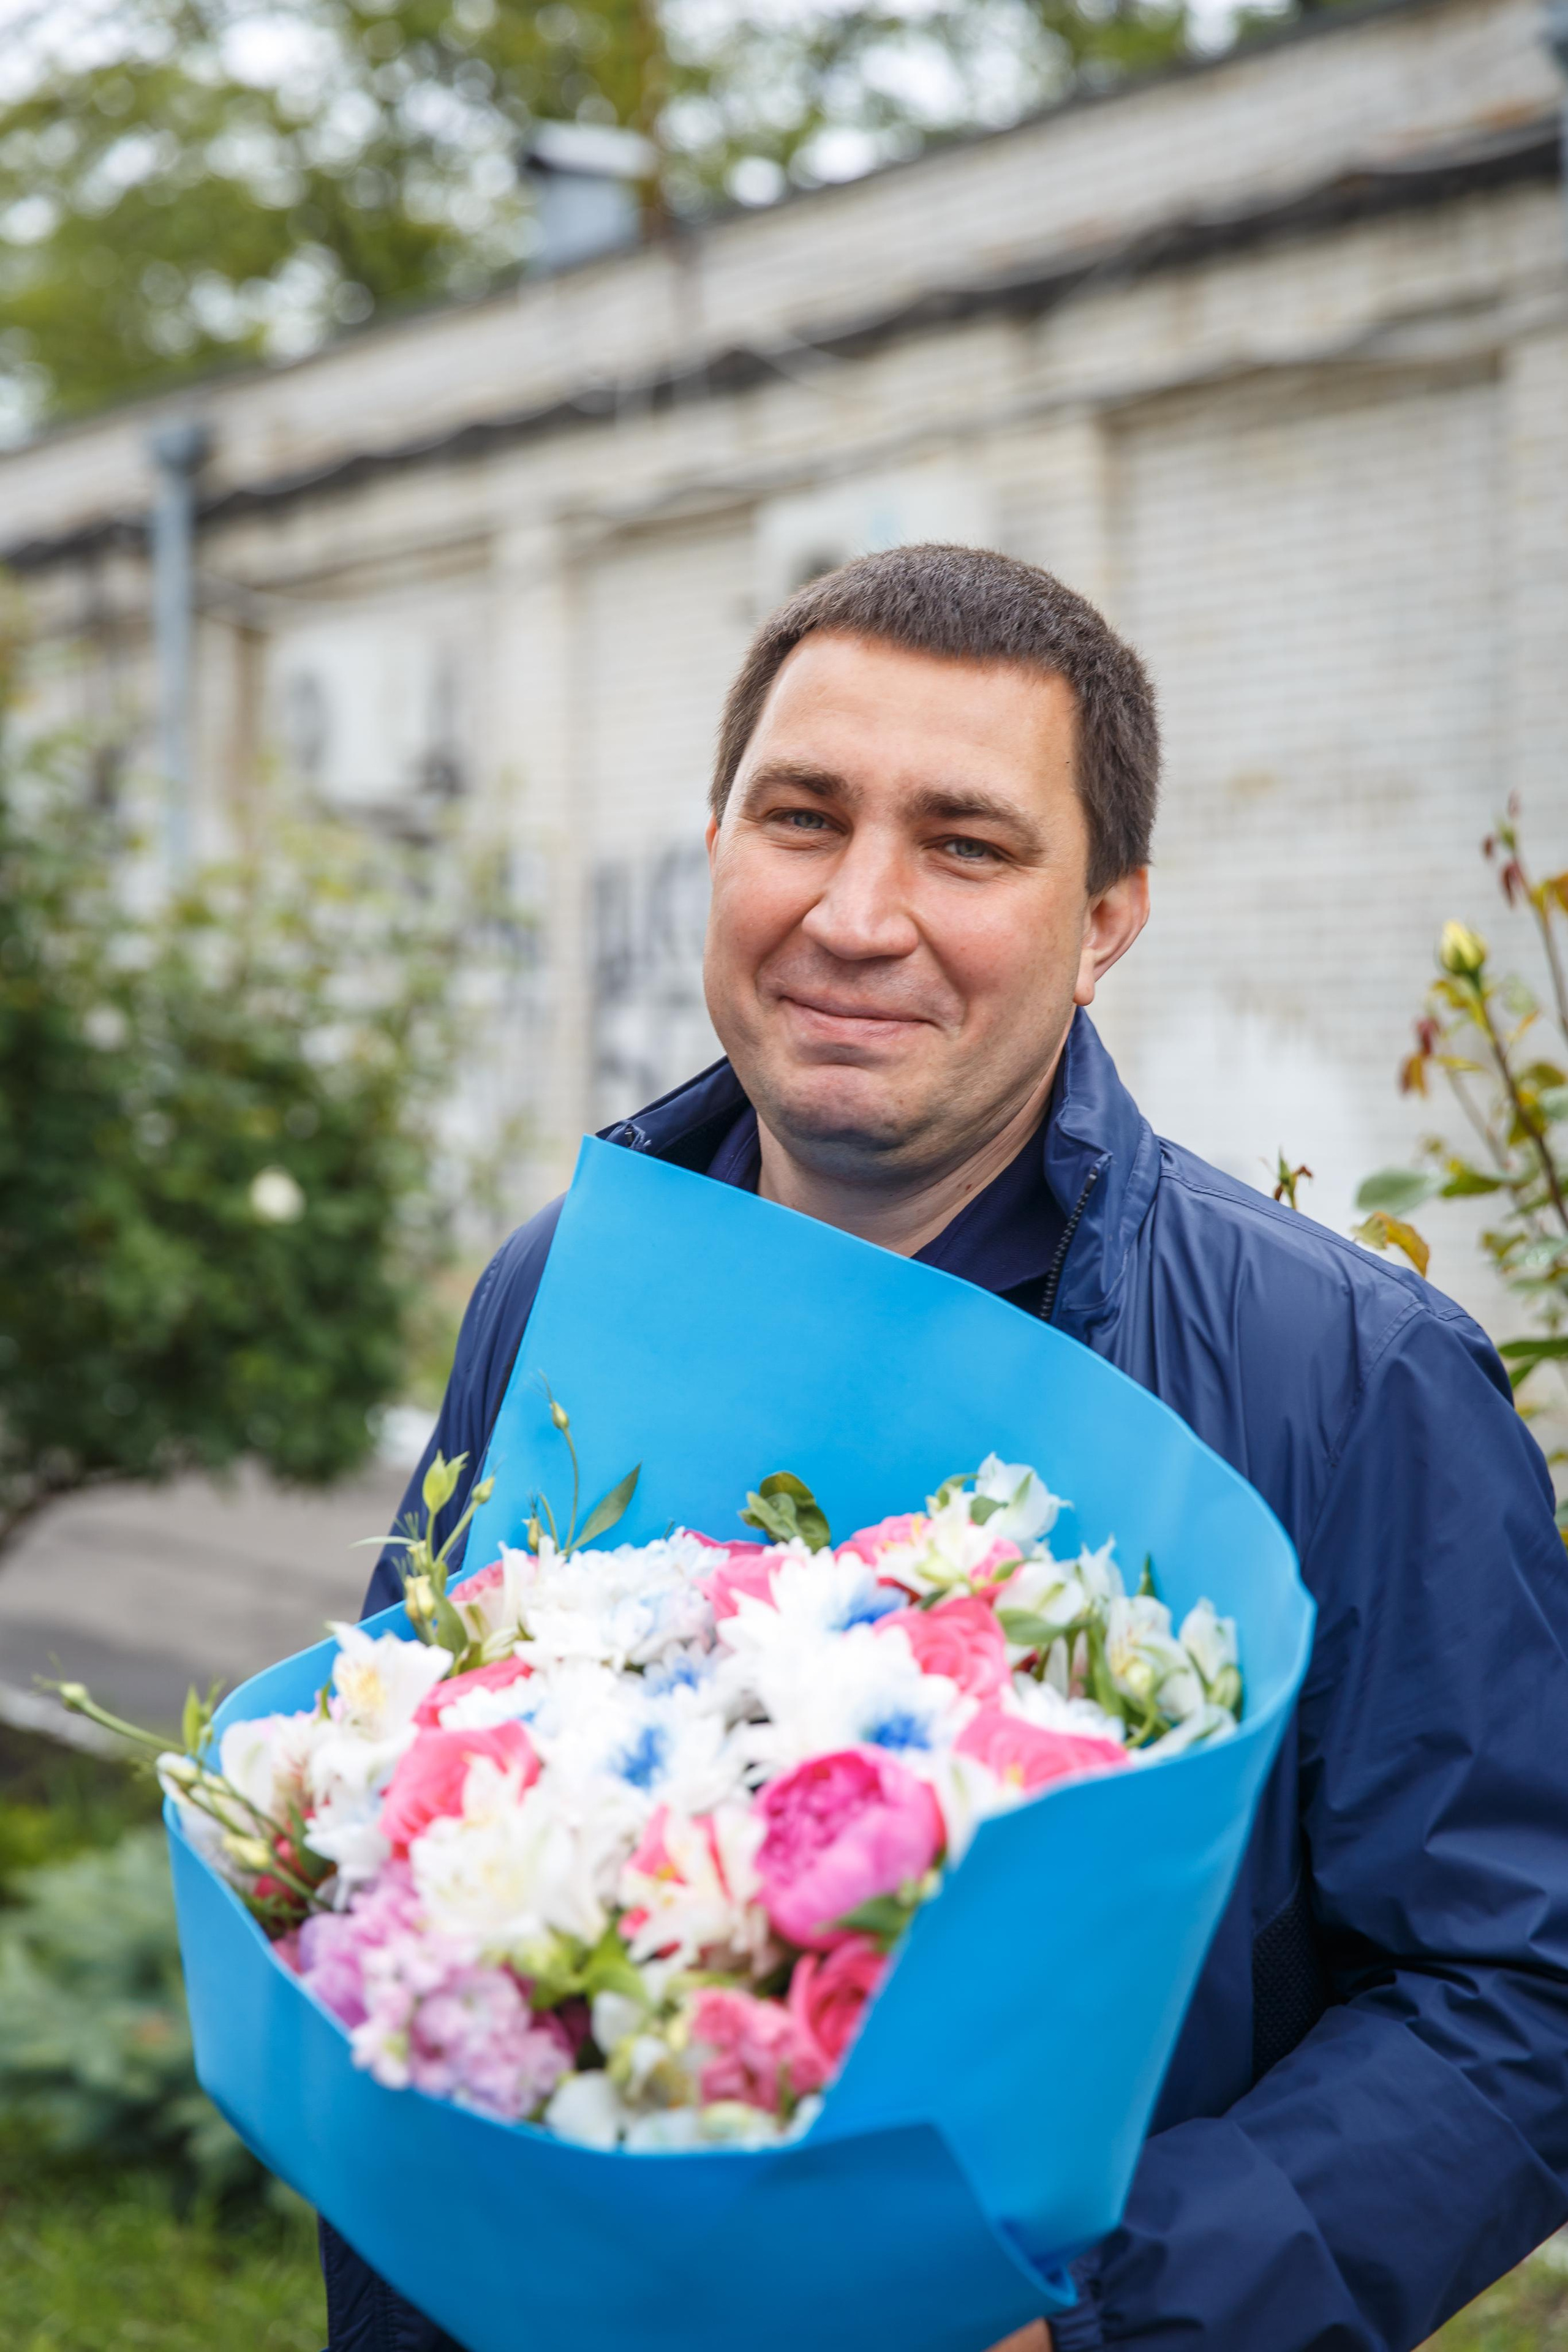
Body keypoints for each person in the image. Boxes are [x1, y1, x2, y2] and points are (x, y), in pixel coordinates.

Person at [321, 544, 1568, 2352]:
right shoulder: (560, 1288)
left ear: (1110, 915)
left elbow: (1518, 1984)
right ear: (718, 846)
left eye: (967, 846)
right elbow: (394, 1818)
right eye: (802, 818)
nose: (855, 910)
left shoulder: (1350, 1381)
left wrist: (1107, 2313)